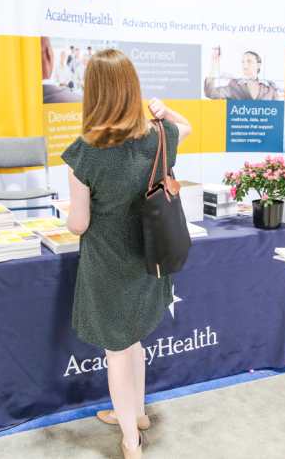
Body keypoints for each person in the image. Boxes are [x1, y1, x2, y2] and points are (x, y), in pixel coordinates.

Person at [62, 49, 192, 459]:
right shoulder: (160, 135)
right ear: (131, 89)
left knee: (116, 350)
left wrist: (68, 215)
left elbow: (79, 225)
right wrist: (164, 109)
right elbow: (184, 125)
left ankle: (131, 443)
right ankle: (135, 413)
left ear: (93, 93)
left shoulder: (83, 152)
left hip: (108, 263)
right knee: (132, 339)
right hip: (149, 257)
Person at [204, 48, 281, 100]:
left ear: (258, 65)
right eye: (243, 61)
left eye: (249, 61)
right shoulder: (234, 85)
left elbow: (276, 113)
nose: (245, 64)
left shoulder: (271, 86)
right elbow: (212, 94)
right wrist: (213, 66)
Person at [41, 38, 82, 104]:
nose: (63, 57)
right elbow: (55, 79)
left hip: (66, 88)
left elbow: (69, 79)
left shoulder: (67, 68)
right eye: (62, 55)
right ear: (49, 53)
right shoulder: (78, 101)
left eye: (64, 55)